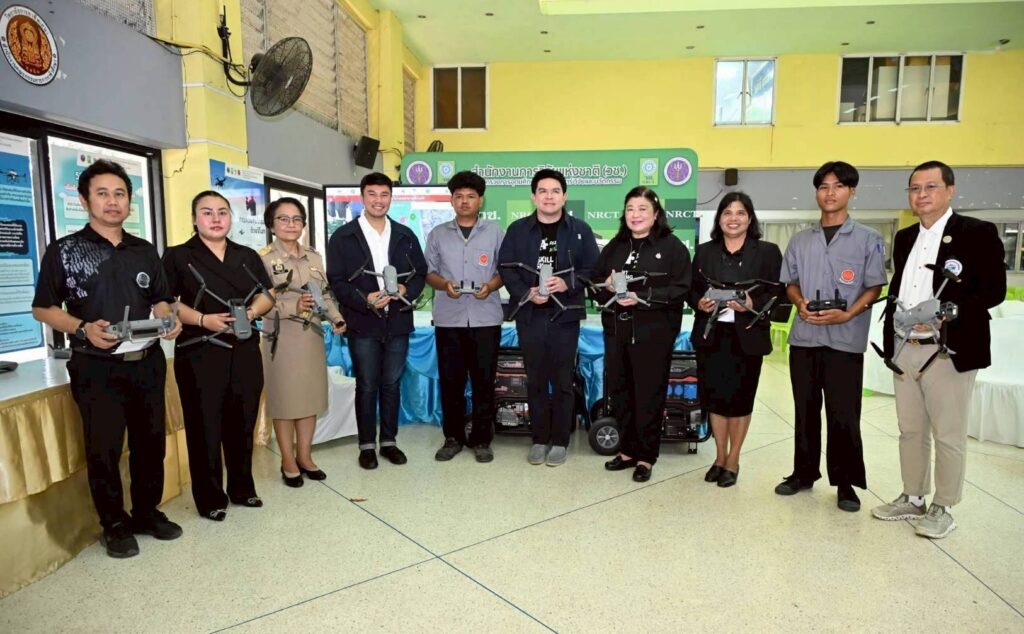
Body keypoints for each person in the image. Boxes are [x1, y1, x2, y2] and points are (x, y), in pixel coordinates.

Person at [32, 159, 183, 558]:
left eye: (119, 194)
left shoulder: (144, 250)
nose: (112, 201)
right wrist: (82, 327)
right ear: (85, 201)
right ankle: (114, 525)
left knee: (151, 444)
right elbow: (43, 308)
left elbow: (161, 299)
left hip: (147, 362)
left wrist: (168, 318)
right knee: (105, 450)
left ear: (130, 202)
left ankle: (147, 513)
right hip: (95, 366)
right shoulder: (64, 251)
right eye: (102, 194)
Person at [871, 161, 1006, 538]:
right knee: (910, 429)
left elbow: (993, 290)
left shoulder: (976, 233)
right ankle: (913, 496)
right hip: (906, 346)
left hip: (948, 348)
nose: (922, 194)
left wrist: (948, 311)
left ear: (950, 190)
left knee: (948, 432)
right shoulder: (904, 237)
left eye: (930, 186)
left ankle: (943, 506)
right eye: (915, 188)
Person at [775, 161, 887, 512]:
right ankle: (803, 473)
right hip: (805, 338)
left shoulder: (868, 239)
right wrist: (799, 303)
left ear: (852, 191)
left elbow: (874, 285)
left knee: (844, 414)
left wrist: (848, 313)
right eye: (823, 186)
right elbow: (790, 282)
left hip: (845, 339)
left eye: (838, 186)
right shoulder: (800, 240)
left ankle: (846, 483)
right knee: (805, 410)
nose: (830, 193)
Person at [162, 191, 275, 521]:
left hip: (244, 349)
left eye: (222, 212)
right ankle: (210, 497)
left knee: (242, 421)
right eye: (207, 212)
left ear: (230, 218)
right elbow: (166, 302)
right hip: (199, 351)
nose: (215, 218)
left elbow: (267, 294)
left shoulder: (246, 255)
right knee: (204, 427)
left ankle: (242, 488)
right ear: (194, 218)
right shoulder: (178, 255)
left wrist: (250, 313)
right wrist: (202, 319)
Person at [497, 169, 599, 466]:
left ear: (564, 196)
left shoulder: (580, 230)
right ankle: (539, 439)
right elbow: (506, 268)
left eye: (555, 191)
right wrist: (525, 293)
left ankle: (561, 441)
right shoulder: (517, 230)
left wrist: (569, 283)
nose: (549, 197)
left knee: (563, 382)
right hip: (530, 316)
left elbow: (593, 269)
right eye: (543, 191)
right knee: (536, 381)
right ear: (533, 197)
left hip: (565, 317)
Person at [326, 172, 427, 470]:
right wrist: (364, 299)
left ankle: (389, 442)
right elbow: (336, 281)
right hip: (363, 322)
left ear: (391, 198)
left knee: (392, 384)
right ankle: (367, 446)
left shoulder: (406, 235)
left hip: (398, 321)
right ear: (362, 197)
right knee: (367, 384)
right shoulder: (343, 236)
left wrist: (407, 289)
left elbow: (420, 273)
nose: (378, 200)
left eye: (384, 195)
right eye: (372, 194)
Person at [594, 186, 691, 482]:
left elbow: (681, 289)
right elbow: (595, 284)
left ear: (656, 214)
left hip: (653, 335)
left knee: (649, 395)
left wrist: (643, 296)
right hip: (617, 331)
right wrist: (606, 285)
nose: (635, 215)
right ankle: (627, 451)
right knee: (620, 392)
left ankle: (646, 457)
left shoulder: (672, 247)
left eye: (642, 209)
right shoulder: (615, 246)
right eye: (630, 209)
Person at [688, 192, 782, 488]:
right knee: (716, 399)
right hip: (712, 335)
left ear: (750, 219)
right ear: (719, 219)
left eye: (740, 213)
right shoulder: (705, 252)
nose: (733, 218)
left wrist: (752, 303)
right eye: (727, 212)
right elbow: (691, 289)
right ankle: (719, 457)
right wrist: (699, 302)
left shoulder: (767, 252)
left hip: (748, 336)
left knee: (740, 401)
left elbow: (778, 291)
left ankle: (733, 459)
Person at [259, 197, 346, 486]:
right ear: (271, 224)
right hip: (280, 338)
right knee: (285, 402)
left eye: (297, 219)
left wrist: (336, 318)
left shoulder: (314, 257)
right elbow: (256, 303)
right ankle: (287, 460)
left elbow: (325, 295)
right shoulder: (263, 259)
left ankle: (305, 457)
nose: (291, 224)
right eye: (283, 219)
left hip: (311, 337)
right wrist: (290, 307)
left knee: (309, 399)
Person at [425, 171, 504, 463]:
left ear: (480, 200)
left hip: (486, 319)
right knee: (451, 382)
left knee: (484, 383)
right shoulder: (437, 234)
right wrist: (444, 284)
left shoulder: (495, 232)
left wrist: (491, 286)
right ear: (451, 200)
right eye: (458, 196)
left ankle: (482, 440)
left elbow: (505, 270)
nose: (464, 201)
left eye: (471, 196)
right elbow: (428, 272)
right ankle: (453, 438)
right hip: (449, 319)